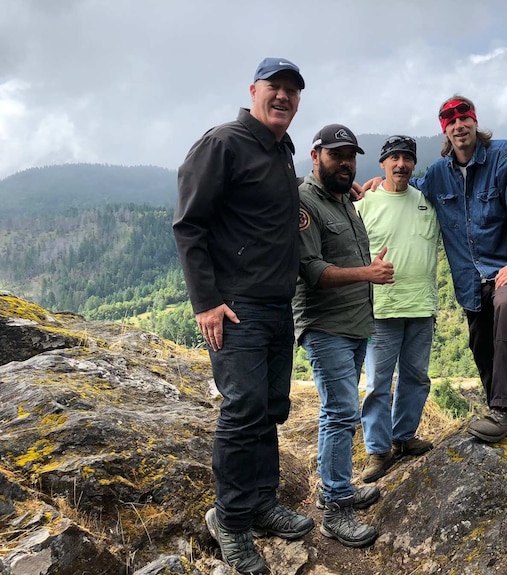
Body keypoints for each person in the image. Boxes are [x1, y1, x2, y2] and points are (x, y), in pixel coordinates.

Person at [173, 57, 313, 575]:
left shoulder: (281, 149)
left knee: (271, 408)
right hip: (237, 307)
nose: (283, 97)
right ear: (254, 89)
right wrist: (206, 301)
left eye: (292, 92)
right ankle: (229, 521)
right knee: (243, 409)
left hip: (278, 304)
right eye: (274, 88)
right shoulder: (223, 143)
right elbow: (189, 226)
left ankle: (260, 503)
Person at [366, 95, 507, 443]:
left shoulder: (504, 155)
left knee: (506, 308)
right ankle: (496, 407)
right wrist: (380, 184)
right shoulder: (438, 174)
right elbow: (411, 190)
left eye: (465, 117)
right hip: (470, 280)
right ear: (444, 130)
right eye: (450, 120)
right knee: (480, 342)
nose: (458, 124)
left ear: (475, 122)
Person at [293, 123, 393, 548]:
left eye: (351, 156)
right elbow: (311, 271)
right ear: (316, 156)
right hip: (325, 325)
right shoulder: (303, 202)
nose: (346, 163)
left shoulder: (344, 199)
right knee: (339, 413)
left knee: (340, 411)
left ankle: (339, 489)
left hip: (354, 325)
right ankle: (335, 509)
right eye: (336, 155)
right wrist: (368, 273)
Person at [355, 135, 440, 483]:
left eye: (407, 158)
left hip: (421, 307)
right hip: (380, 309)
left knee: (416, 378)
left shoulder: (428, 202)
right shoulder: (365, 204)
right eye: (394, 158)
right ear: (382, 163)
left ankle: (404, 438)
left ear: (414, 165)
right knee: (377, 383)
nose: (401, 164)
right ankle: (378, 450)